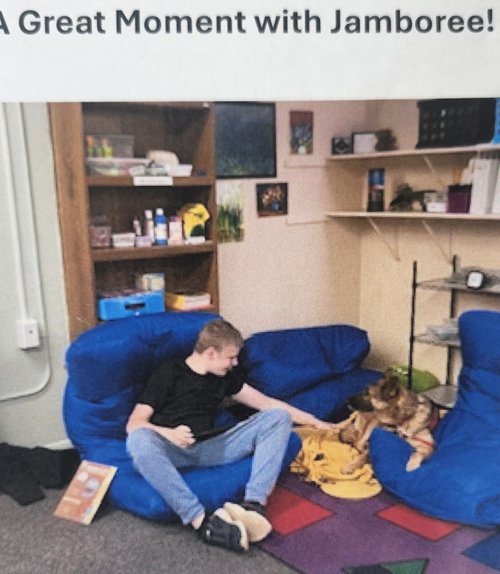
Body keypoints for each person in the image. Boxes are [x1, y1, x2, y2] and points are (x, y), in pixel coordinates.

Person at [126, 319, 334, 553]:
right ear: (211, 353)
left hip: (212, 446)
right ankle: (201, 522)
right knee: (139, 440)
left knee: (278, 417)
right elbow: (134, 424)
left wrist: (315, 421)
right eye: (231, 357)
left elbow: (267, 403)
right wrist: (169, 434)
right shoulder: (169, 372)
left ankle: (254, 505)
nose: (235, 363)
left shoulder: (225, 376)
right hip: (173, 449)